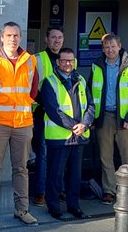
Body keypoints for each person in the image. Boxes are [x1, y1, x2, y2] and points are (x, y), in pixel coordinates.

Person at [0, 21, 39, 227]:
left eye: (16, 36)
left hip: (22, 123)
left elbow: (33, 91)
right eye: (9, 36)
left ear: (20, 38)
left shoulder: (30, 61)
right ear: (1, 38)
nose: (13, 39)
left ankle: (22, 210)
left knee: (21, 168)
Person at [90, 33, 128, 204]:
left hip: (125, 119)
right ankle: (109, 190)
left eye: (113, 46)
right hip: (104, 117)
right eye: (106, 47)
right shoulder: (97, 66)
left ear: (119, 46)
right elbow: (90, 92)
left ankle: (127, 193)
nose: (110, 50)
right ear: (103, 49)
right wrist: (93, 117)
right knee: (105, 157)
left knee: (127, 158)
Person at [38, 47, 93, 220]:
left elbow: (91, 105)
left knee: (75, 175)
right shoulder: (49, 81)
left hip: (79, 136)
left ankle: (74, 206)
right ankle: (54, 208)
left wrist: (84, 124)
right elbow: (53, 111)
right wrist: (74, 126)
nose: (68, 63)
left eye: (71, 60)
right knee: (56, 175)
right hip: (59, 138)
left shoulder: (81, 80)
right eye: (64, 60)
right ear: (58, 62)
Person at [31, 27, 64, 207]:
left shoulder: (67, 58)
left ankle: (58, 189)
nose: (56, 41)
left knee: (60, 154)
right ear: (46, 39)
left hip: (62, 117)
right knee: (42, 154)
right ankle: (40, 192)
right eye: (53, 37)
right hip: (42, 114)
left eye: (59, 37)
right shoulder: (37, 59)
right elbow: (31, 87)